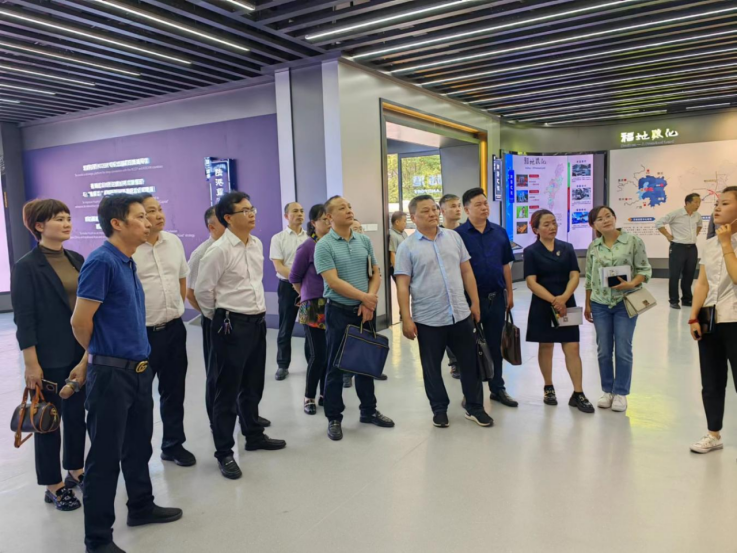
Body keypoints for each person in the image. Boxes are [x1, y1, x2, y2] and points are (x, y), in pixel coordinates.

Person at [71, 194, 182, 553]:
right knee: (104, 458)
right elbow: (80, 321)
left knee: (138, 446)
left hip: (137, 370)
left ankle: (141, 506)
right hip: (111, 375)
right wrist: (98, 355)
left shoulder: (127, 261)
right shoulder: (101, 262)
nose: (148, 222)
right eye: (140, 217)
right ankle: (98, 539)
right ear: (117, 223)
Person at [195, 192, 286, 480]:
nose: (251, 214)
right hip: (230, 324)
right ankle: (224, 452)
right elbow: (202, 291)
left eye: (252, 208)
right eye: (244, 210)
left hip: (257, 322)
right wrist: (220, 317)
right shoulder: (218, 250)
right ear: (228, 218)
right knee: (226, 390)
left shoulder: (256, 244)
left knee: (253, 383)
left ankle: (253, 435)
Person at [12, 199, 87, 512]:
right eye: (59, 218)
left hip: (79, 352)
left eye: (68, 217)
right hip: (48, 357)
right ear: (39, 226)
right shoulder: (27, 266)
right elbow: (24, 317)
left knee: (77, 416)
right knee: (47, 421)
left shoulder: (76, 259)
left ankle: (76, 469)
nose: (67, 223)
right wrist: (31, 363)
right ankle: (53, 485)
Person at [395, 195, 492, 428]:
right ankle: (439, 410)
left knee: (469, 363)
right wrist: (406, 318)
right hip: (428, 318)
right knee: (431, 368)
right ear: (413, 216)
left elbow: (466, 271)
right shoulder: (407, 247)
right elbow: (403, 285)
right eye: (425, 211)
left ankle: (475, 407)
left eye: (434, 209)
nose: (432, 213)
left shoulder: (453, 237)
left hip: (459, 313)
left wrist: (475, 303)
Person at [315, 196, 395, 441]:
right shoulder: (324, 245)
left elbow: (375, 273)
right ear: (329, 217)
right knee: (336, 365)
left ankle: (368, 410)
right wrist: (365, 298)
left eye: (349, 206)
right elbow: (333, 281)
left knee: (365, 363)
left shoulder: (363, 240)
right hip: (339, 311)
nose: (349, 210)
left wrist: (368, 301)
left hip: (364, 311)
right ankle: (334, 417)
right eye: (342, 208)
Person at [132, 193, 193, 467]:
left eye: (159, 209)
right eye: (149, 211)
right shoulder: (130, 249)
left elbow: (181, 279)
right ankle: (138, 456)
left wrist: (176, 309)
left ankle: (173, 445)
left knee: (174, 391)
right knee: (141, 399)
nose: (158, 215)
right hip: (141, 335)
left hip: (174, 330)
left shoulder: (173, 242)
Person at [524, 209, 594, 413]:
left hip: (566, 303)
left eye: (554, 223)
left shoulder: (567, 248)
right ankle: (548, 387)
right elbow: (531, 282)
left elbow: (574, 275)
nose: (552, 227)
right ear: (536, 229)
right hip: (542, 304)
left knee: (572, 346)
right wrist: (554, 300)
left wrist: (563, 298)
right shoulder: (531, 251)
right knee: (546, 346)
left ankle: (578, 393)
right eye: (546, 224)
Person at [584, 205, 652, 413]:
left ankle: (621, 392)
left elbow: (644, 270)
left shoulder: (632, 241)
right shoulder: (594, 247)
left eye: (609, 216)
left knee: (623, 349)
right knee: (604, 350)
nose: (606, 220)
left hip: (625, 302)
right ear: (593, 225)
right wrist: (588, 303)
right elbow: (589, 277)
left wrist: (631, 284)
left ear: (614, 217)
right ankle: (607, 390)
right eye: (600, 219)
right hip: (600, 303)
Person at [456, 188, 518, 408]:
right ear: (467, 209)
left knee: (494, 345)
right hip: (469, 301)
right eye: (478, 204)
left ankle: (497, 388)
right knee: (470, 348)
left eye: (485, 203)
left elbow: (505, 265)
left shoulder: (499, 232)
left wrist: (509, 293)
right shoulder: (457, 235)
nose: (484, 207)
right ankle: (471, 394)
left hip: (496, 298)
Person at [688, 186, 737, 454]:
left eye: (725, 203)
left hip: (735, 319)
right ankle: (713, 434)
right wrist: (693, 316)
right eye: (717, 203)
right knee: (712, 381)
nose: (717, 208)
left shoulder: (724, 242)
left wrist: (727, 243)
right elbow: (702, 283)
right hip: (711, 320)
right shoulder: (709, 243)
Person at [289, 204, 331, 415]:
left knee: (330, 353)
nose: (329, 223)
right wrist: (307, 294)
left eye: (331, 218)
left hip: (333, 304)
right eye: (324, 219)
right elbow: (294, 277)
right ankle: (309, 397)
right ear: (314, 223)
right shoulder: (308, 246)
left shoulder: (333, 244)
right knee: (318, 355)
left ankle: (325, 394)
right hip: (314, 307)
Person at [186, 206, 226, 423]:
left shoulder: (235, 247)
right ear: (212, 227)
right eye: (223, 221)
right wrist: (210, 315)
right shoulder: (201, 254)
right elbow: (191, 293)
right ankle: (216, 419)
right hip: (215, 318)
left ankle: (245, 414)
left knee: (240, 369)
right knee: (216, 371)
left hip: (237, 318)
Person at [270, 202, 310, 381]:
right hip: (287, 287)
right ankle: (282, 365)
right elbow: (279, 266)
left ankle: (312, 362)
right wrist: (297, 281)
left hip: (308, 288)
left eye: (301, 211)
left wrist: (304, 285)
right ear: (286, 216)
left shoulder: (309, 238)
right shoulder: (278, 238)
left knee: (310, 327)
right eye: (295, 211)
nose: (300, 214)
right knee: (285, 327)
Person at [655, 193, 703, 309]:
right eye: (696, 202)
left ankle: (687, 299)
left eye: (699, 202)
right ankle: (673, 300)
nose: (698, 205)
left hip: (692, 248)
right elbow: (659, 223)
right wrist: (667, 235)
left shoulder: (697, 215)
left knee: (689, 274)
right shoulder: (676, 214)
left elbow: (700, 225)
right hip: (678, 247)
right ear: (687, 203)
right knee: (675, 275)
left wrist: (694, 235)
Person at [439, 193, 463, 379]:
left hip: (465, 287)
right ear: (442, 210)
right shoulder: (437, 234)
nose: (457, 209)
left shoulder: (466, 232)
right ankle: (454, 362)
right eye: (453, 206)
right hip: (445, 291)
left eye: (459, 205)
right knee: (448, 327)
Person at [388, 211, 408, 281]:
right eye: (404, 221)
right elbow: (392, 253)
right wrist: (397, 271)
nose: (406, 223)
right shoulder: (392, 235)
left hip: (406, 266)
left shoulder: (404, 233)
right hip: (399, 269)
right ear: (397, 222)